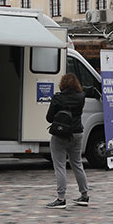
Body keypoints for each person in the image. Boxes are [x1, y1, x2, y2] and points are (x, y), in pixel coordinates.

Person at [45, 73, 90, 209]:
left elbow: (49, 117)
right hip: (77, 133)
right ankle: (84, 195)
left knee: (60, 166)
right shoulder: (81, 97)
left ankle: (61, 198)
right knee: (77, 164)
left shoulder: (58, 98)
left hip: (60, 134)